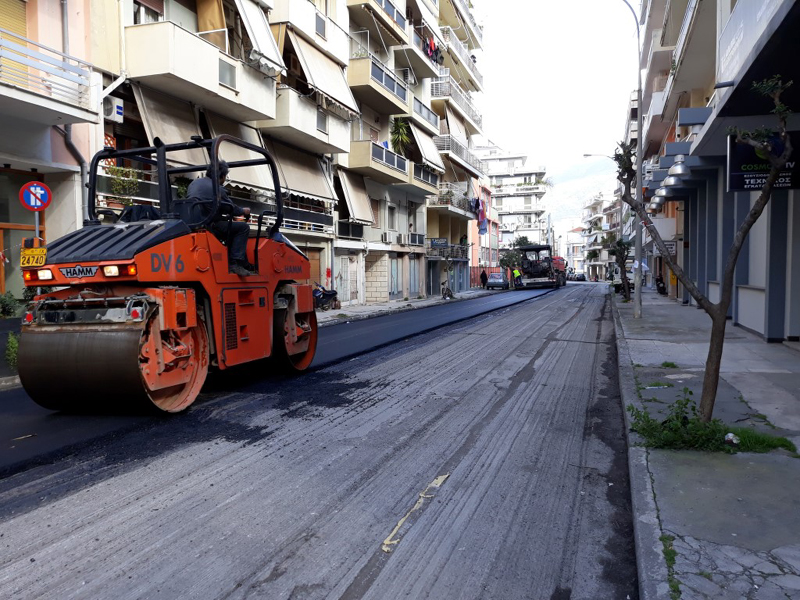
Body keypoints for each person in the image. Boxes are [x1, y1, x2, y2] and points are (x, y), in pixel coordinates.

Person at [187, 161, 253, 276]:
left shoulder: (194, 183)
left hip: (195, 222)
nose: (224, 180)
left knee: (231, 229)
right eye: (225, 177)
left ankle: (242, 262)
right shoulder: (217, 189)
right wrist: (244, 211)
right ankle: (234, 263)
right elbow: (232, 208)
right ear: (222, 176)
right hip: (210, 225)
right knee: (243, 228)